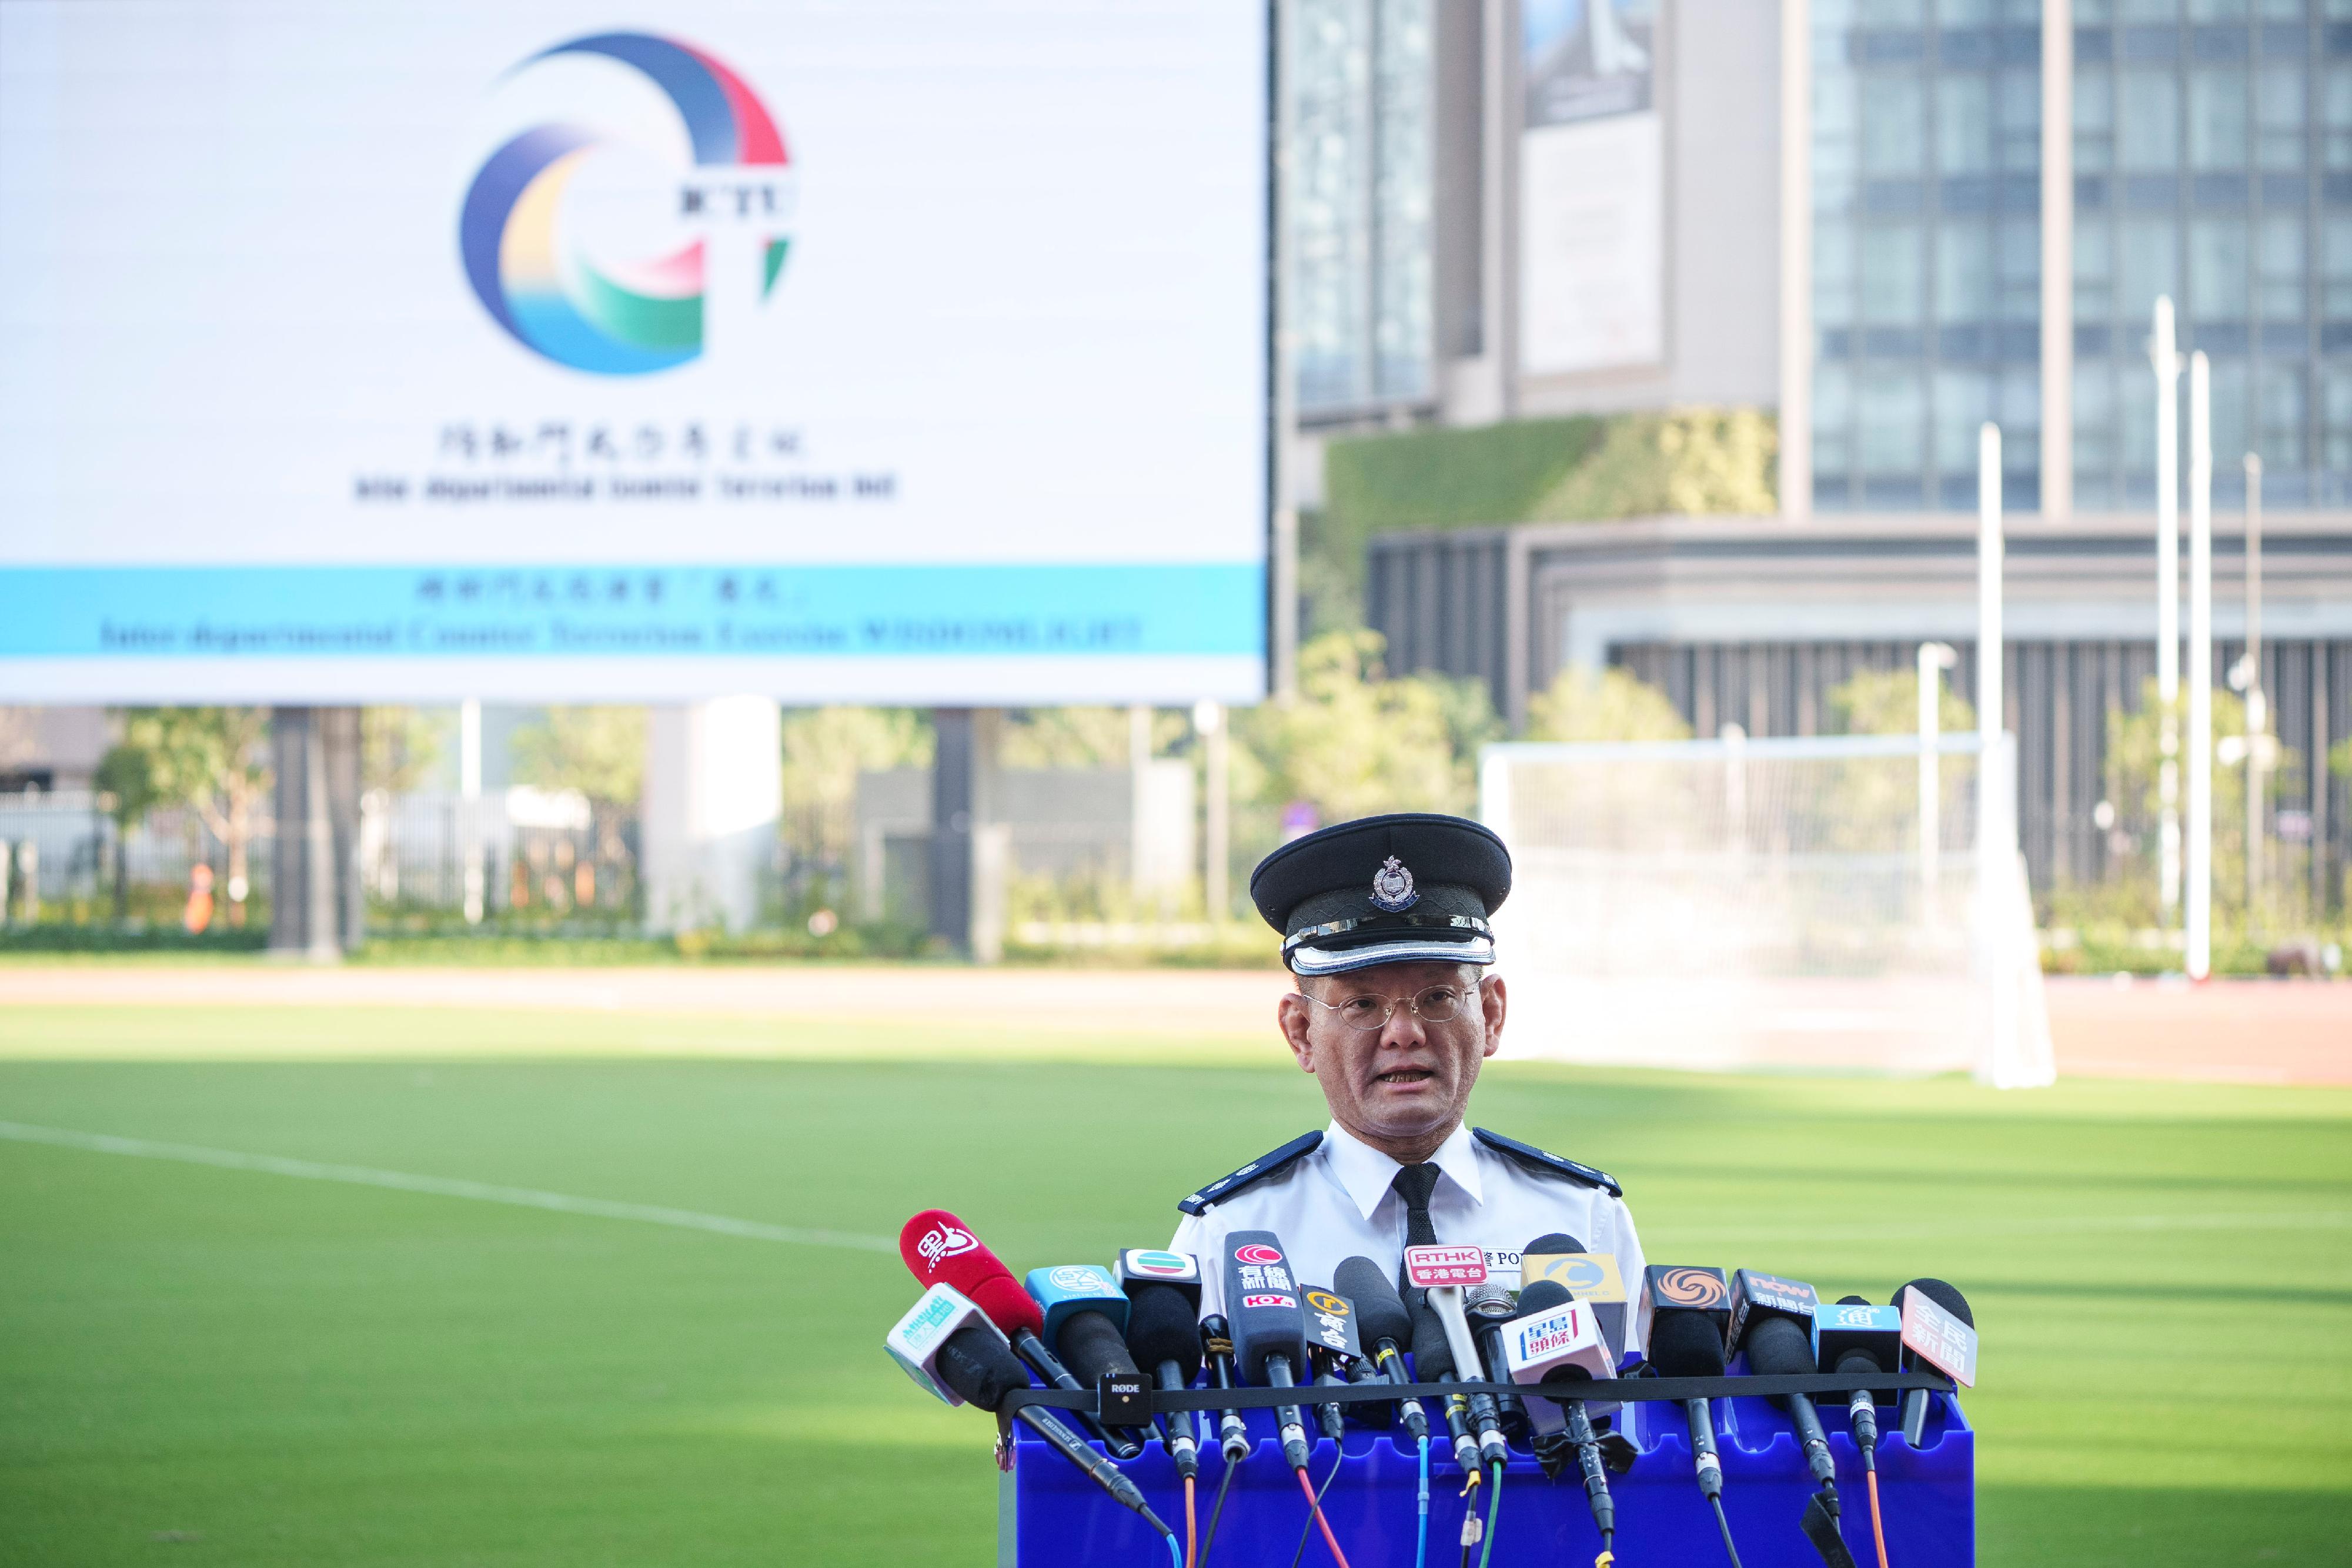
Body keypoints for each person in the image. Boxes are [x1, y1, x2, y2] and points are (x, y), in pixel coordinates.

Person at [1169, 812, 1645, 1354]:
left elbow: (1649, 1425)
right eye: (1362, 1003)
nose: (1404, 1032)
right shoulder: (1232, 1235)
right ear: (1300, 1031)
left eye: (1438, 997)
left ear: (1491, 1014)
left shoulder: (1584, 1219)